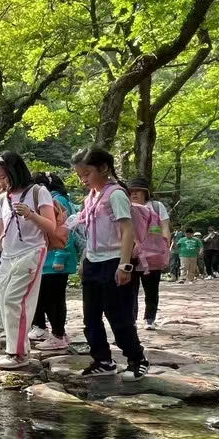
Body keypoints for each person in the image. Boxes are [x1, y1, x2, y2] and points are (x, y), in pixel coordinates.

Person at [67, 147, 148, 380]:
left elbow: (127, 230)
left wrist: (124, 265)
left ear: (103, 168)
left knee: (119, 316)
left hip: (115, 261)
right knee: (90, 317)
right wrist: (85, 259)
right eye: (80, 176)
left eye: (87, 174)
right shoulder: (91, 197)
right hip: (93, 262)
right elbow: (89, 231)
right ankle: (103, 360)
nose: (83, 180)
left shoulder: (115, 195)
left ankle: (137, 358)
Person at [0, 152, 57, 369]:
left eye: (3, 177)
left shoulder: (38, 192)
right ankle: (16, 349)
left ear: (15, 171)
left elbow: (51, 226)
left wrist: (31, 214)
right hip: (8, 255)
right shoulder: (3, 198)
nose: (0, 182)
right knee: (3, 301)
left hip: (31, 251)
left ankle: (19, 354)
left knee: (15, 301)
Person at [29, 172, 77, 352]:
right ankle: (56, 333)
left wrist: (60, 257)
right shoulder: (55, 199)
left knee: (54, 299)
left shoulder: (58, 201)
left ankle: (58, 335)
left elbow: (65, 232)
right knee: (48, 297)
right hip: (48, 260)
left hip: (56, 260)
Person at [127, 179, 170, 329]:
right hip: (131, 254)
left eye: (137, 191)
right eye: (131, 192)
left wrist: (165, 246)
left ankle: (149, 318)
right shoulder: (126, 207)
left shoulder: (157, 207)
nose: (134, 194)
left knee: (151, 288)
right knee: (130, 289)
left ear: (146, 192)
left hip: (153, 254)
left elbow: (164, 226)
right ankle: (131, 320)